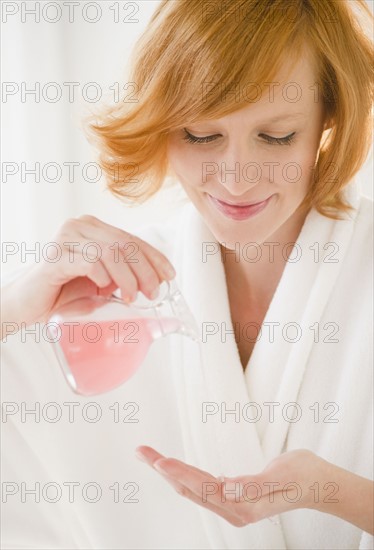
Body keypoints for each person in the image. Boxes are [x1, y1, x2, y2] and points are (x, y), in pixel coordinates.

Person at [1, 0, 373, 548]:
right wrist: (13, 311)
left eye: (276, 137)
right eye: (201, 136)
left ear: (329, 118)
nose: (238, 178)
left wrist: (334, 492)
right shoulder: (104, 292)